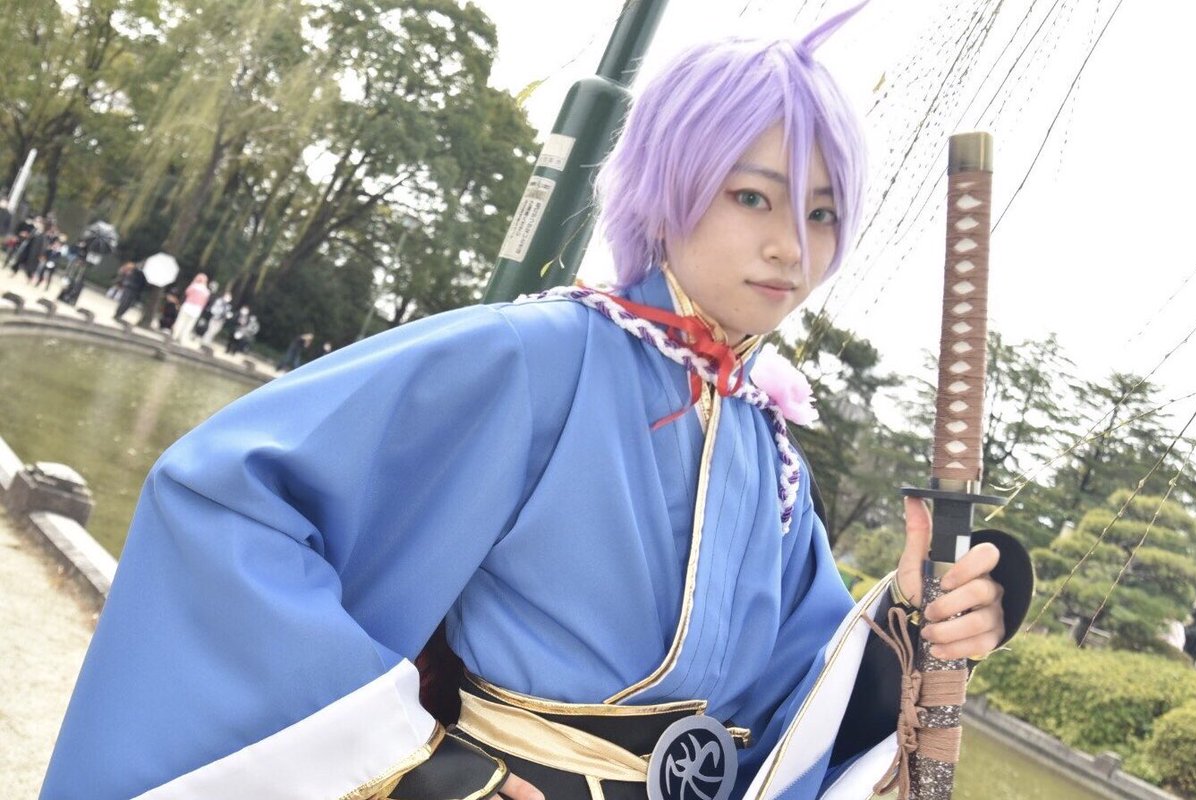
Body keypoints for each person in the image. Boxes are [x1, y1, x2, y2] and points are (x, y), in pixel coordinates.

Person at [42, 10, 1031, 800]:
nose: (792, 247)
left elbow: (797, 703)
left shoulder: (767, 452)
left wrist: (923, 621)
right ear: (673, 183)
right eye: (753, 197)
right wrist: (423, 765)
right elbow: (225, 500)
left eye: (822, 213)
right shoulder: (540, 356)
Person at [172, 273, 211, 342]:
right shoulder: (206, 291)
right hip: (197, 309)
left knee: (181, 321)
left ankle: (175, 335)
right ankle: (183, 338)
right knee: (189, 324)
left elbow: (187, 293)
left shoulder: (193, 286)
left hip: (188, 306)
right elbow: (204, 302)